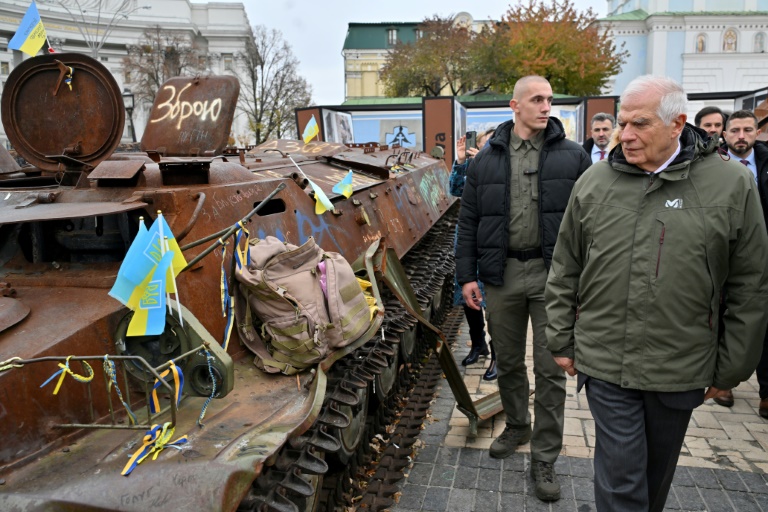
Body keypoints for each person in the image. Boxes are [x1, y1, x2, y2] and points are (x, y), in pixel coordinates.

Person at [546, 75, 768, 512]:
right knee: (622, 479)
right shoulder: (594, 183)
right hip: (606, 360)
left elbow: (750, 284)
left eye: (639, 124)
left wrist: (731, 368)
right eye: (622, 122)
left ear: (676, 124)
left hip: (680, 364)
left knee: (654, 478)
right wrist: (560, 338)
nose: (624, 135)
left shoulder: (730, 185)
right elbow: (565, 265)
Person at [456, 75, 590, 502]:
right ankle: (517, 424)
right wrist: (466, 276)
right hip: (503, 274)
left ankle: (545, 454)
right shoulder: (486, 160)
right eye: (537, 99)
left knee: (552, 369)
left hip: (555, 275)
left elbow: (592, 223)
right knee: (508, 359)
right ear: (515, 105)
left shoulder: (574, 157)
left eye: (550, 99)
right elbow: (469, 221)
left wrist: (585, 282)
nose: (546, 106)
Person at [718, 109, 768, 414]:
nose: (741, 136)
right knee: (725, 318)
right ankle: (724, 381)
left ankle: (767, 389)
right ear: (725, 135)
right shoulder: (715, 166)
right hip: (725, 256)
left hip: (763, 257)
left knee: (762, 322)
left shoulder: (764, 164)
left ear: (756, 132)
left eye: (747, 130)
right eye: (734, 130)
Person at [450, 128, 497, 380]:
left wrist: (485, 164)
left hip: (492, 240)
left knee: (494, 302)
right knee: (469, 299)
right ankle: (478, 344)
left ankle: (500, 355)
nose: (485, 148)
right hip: (469, 241)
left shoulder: (503, 168)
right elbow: (455, 191)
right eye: (481, 144)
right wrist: (460, 162)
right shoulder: (470, 167)